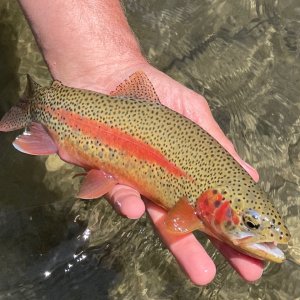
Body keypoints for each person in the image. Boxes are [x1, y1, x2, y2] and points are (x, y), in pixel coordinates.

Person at [18, 0, 264, 285]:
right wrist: (107, 64)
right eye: (250, 223)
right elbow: (176, 223)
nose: (254, 231)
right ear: (215, 204)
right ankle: (35, 107)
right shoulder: (197, 212)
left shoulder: (213, 198)